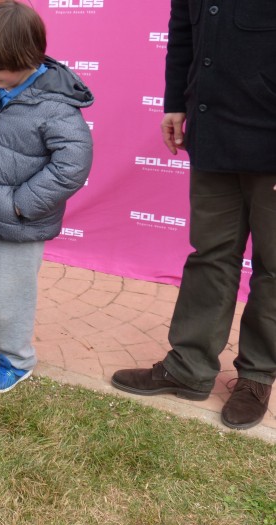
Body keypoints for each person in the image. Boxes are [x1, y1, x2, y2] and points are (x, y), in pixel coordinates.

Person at [111, 1, 276, 430]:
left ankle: (257, 375)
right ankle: (189, 367)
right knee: (210, 255)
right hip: (213, 132)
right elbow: (183, 34)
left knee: (274, 267)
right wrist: (174, 103)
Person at [0, 1, 93, 393]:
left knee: (11, 294)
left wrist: (22, 203)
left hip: (23, 220)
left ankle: (16, 359)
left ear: (28, 58)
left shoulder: (56, 106)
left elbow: (73, 165)